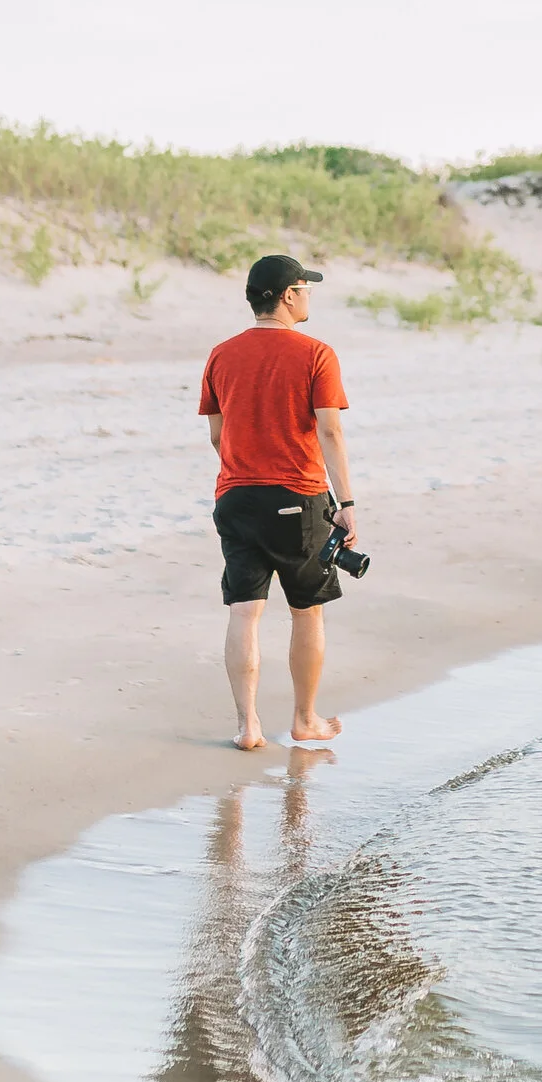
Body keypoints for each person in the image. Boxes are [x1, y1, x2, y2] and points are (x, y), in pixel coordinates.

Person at [200, 253, 362, 751]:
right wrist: (348, 502)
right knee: (306, 611)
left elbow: (217, 435)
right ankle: (304, 719)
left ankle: (248, 726)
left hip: (236, 498)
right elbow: (330, 429)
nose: (309, 295)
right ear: (288, 295)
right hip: (299, 498)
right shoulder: (316, 353)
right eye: (305, 288)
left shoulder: (221, 354)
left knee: (244, 612)